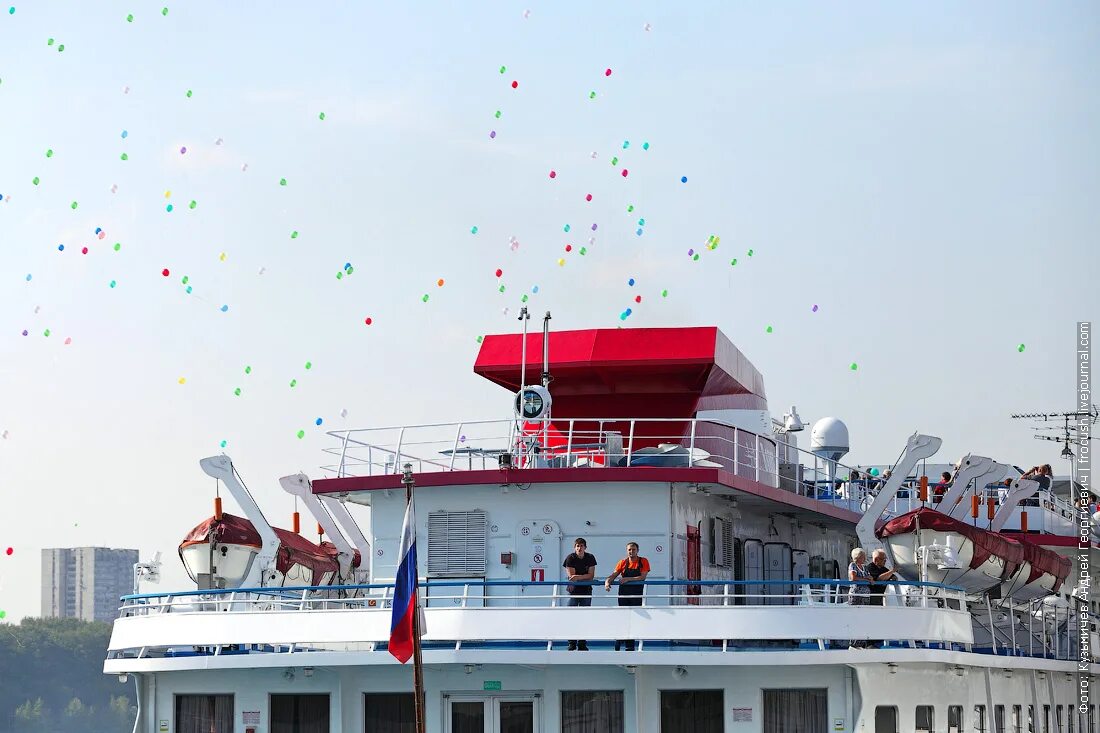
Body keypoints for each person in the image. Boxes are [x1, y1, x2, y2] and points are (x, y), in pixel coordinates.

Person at [605, 541, 650, 651]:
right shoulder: (623, 562)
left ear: (637, 551)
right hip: (624, 594)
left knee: (634, 618)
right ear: (627, 551)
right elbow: (614, 575)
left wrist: (628, 579)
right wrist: (607, 582)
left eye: (633, 549)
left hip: (637, 594)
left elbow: (642, 577)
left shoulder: (643, 561)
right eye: (629, 549)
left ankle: (630, 645)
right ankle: (619, 640)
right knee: (623, 617)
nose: (631, 551)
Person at [563, 538, 597, 651]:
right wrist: (582, 577)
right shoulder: (570, 558)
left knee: (585, 617)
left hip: (586, 591)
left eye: (581, 546)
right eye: (577, 546)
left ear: (585, 547)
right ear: (574, 547)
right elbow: (572, 576)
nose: (579, 548)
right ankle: (571, 643)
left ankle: (582, 643)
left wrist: (578, 577)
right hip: (574, 592)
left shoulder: (590, 557)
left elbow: (591, 576)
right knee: (571, 617)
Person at [847, 548, 871, 649]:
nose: (865, 558)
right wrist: (866, 579)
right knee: (855, 618)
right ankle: (854, 644)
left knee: (864, 619)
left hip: (865, 595)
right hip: (856, 594)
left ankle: (861, 643)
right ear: (858, 557)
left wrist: (868, 579)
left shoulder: (865, 567)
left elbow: (870, 578)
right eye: (863, 556)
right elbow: (853, 578)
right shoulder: (853, 565)